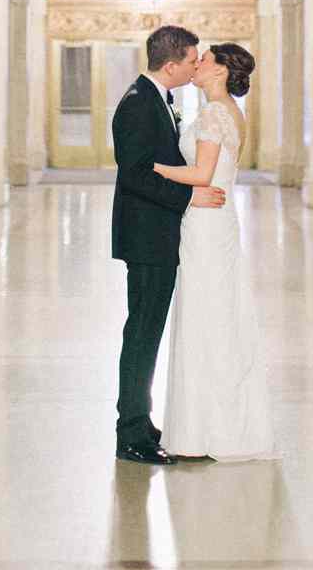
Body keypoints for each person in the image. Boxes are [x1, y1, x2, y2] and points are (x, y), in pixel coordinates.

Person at [111, 24, 227, 465]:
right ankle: (132, 433)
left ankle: (140, 420)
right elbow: (136, 174)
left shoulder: (158, 99)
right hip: (145, 238)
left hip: (157, 234)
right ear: (172, 64)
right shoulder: (139, 104)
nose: (197, 65)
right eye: (193, 59)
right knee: (142, 334)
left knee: (146, 332)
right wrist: (189, 194)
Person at [154, 43, 276, 461]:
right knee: (219, 314)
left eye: (205, 59)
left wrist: (151, 168)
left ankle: (205, 429)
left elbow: (202, 174)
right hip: (217, 223)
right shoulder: (229, 112)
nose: (198, 64)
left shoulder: (213, 113)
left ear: (222, 71)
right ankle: (220, 424)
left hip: (206, 223)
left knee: (205, 314)